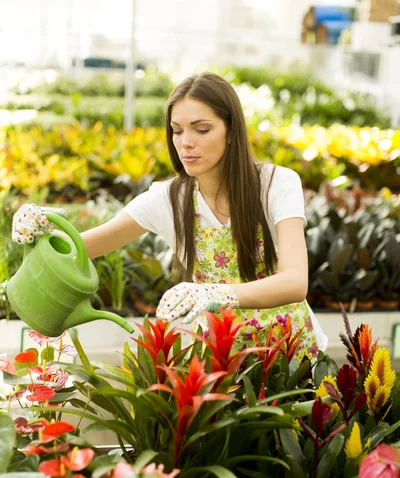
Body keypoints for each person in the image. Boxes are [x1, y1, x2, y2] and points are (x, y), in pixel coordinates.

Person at [12, 72, 327, 359]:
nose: (186, 142)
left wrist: (213, 292)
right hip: (221, 360)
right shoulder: (169, 199)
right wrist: (40, 229)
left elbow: (295, 282)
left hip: (290, 353)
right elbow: (80, 248)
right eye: (177, 131)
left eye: (201, 129)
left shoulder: (276, 183)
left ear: (231, 131)